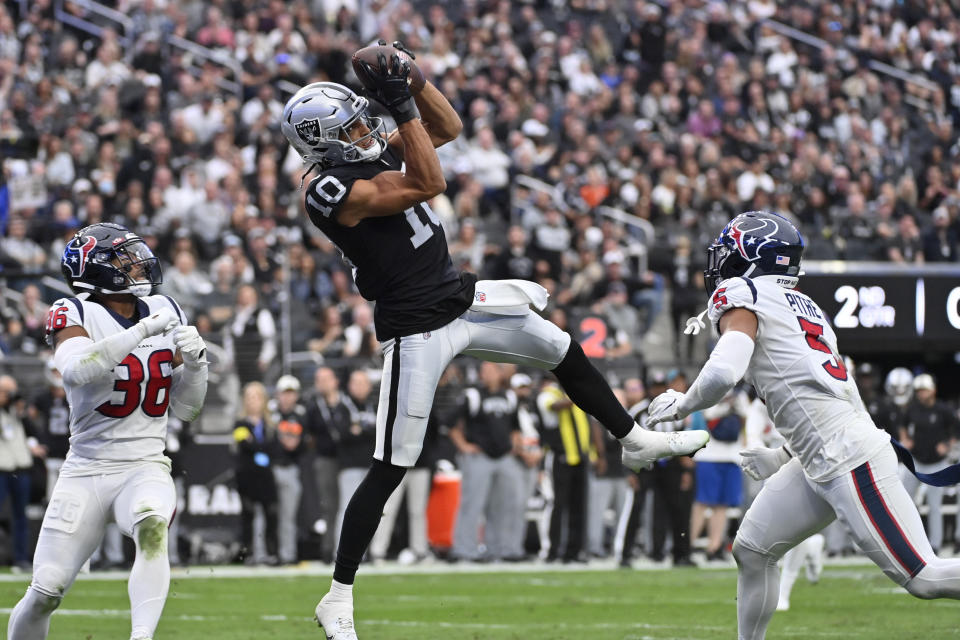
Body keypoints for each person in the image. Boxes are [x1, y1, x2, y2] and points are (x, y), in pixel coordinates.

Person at [281, 45, 707, 639]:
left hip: (459, 297)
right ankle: (339, 595)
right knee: (389, 467)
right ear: (320, 142)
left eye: (361, 119)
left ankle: (633, 440)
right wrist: (401, 105)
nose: (363, 129)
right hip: (415, 328)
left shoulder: (365, 146)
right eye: (349, 126)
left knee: (561, 348)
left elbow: (448, 127)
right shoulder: (325, 188)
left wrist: (416, 81)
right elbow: (431, 181)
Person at [645, 210, 960, 640]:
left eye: (728, 251)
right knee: (753, 551)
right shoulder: (802, 304)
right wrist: (782, 454)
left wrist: (683, 404)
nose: (720, 262)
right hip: (823, 457)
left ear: (751, 256)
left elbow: (722, 374)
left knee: (923, 576)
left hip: (849, 459)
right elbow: (824, 396)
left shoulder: (744, 294)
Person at [8, 222, 208, 640]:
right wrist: (142, 332)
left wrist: (196, 365)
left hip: (145, 464)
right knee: (46, 590)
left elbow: (187, 409)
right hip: (85, 469)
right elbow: (79, 368)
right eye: (123, 258)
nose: (137, 265)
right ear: (95, 268)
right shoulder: (74, 311)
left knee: (152, 526)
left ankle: (141, 637)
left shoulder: (164, 307)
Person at [232, 381, 279, 565]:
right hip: (247, 476)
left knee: (271, 514)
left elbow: (273, 447)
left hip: (266, 477)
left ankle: (271, 552)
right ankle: (249, 553)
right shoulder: (240, 423)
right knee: (248, 515)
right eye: (249, 397)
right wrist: (259, 447)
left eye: (256, 397)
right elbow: (245, 445)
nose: (253, 401)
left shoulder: (270, 424)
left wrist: (256, 446)